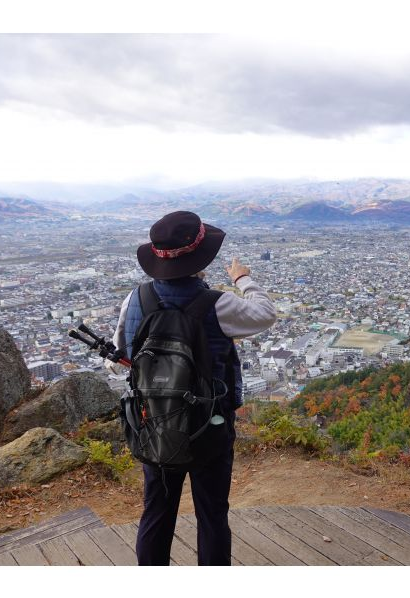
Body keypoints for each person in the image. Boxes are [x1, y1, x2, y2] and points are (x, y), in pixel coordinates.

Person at [107, 210, 276, 565]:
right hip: (208, 425)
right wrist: (243, 278)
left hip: (153, 423)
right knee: (212, 515)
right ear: (202, 258)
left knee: (157, 511)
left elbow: (117, 358)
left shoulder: (136, 300)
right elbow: (265, 313)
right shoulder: (219, 303)